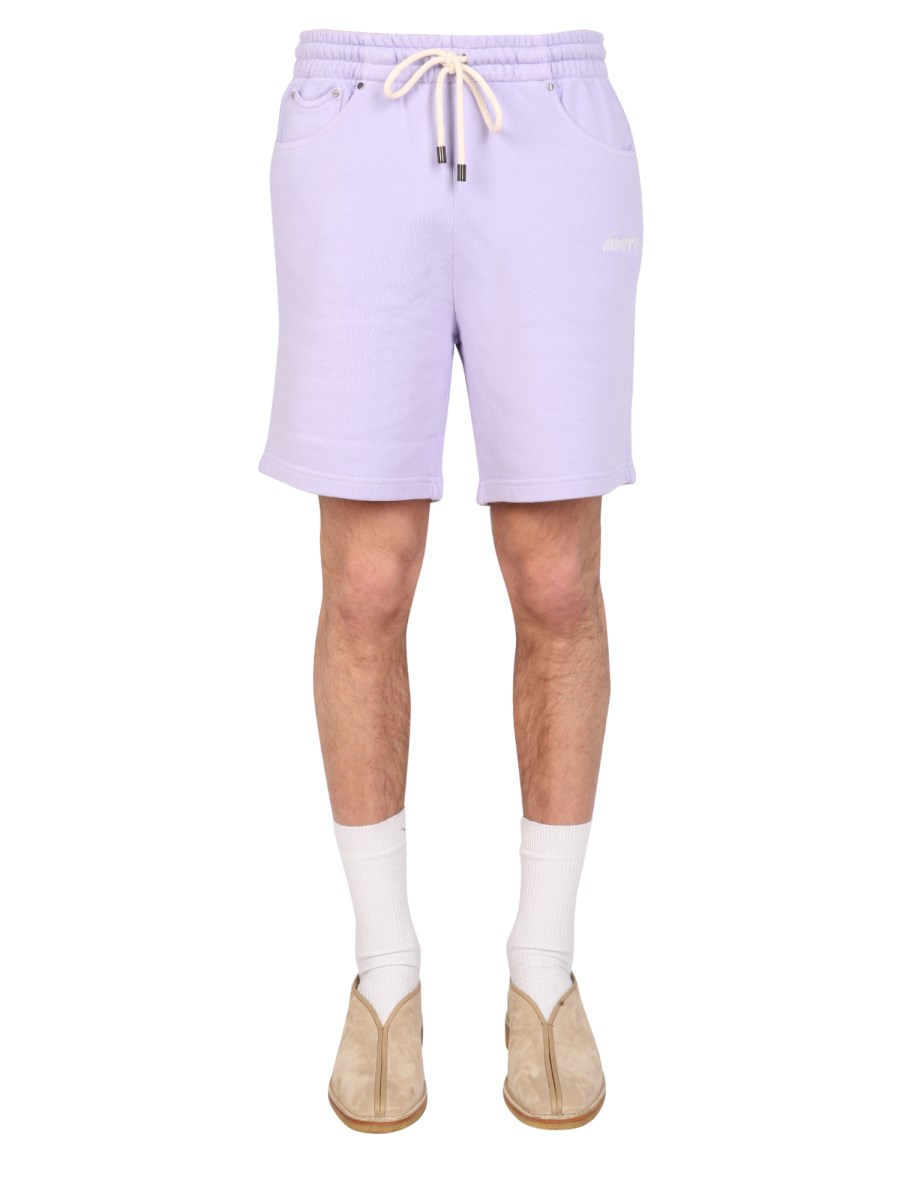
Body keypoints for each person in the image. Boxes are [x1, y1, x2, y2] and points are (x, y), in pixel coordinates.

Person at [259, 28, 642, 1132]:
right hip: (354, 111)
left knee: (557, 577)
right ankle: (385, 975)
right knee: (366, 581)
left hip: (554, 113)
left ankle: (545, 968)